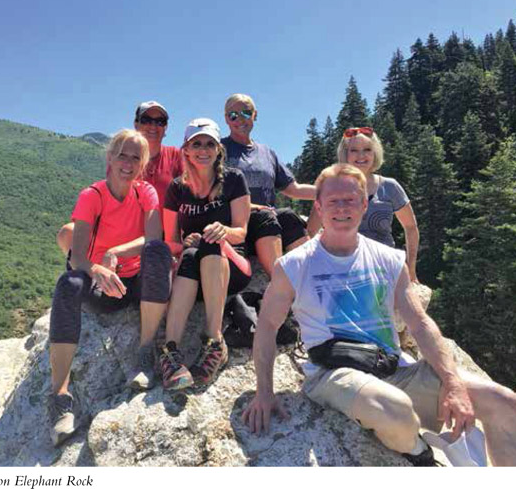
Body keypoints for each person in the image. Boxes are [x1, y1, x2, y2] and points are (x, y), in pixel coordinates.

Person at [242, 163, 516, 466]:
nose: (342, 208)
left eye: (350, 200)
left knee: (503, 403)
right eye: (333, 201)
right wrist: (265, 392)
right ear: (318, 205)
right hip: (334, 373)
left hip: (394, 368)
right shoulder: (295, 265)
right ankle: (420, 453)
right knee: (394, 408)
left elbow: (420, 324)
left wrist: (454, 384)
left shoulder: (387, 259)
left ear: (364, 204)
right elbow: (267, 326)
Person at [48, 129, 172, 446]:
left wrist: (116, 252)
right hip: (103, 286)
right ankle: (59, 397)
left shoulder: (146, 193)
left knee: (158, 252)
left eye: (135, 157)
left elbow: (153, 237)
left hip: (135, 283)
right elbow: (77, 256)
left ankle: (145, 354)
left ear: (143, 164)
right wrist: (97, 268)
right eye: (122, 154)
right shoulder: (93, 195)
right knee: (68, 283)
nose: (127, 163)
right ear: (109, 157)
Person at [160, 118, 251, 390]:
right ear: (186, 150)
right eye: (196, 143)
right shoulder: (177, 188)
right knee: (189, 254)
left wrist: (223, 231)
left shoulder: (234, 179)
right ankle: (170, 352)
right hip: (195, 274)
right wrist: (185, 241)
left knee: (210, 242)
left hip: (231, 265)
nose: (203, 149)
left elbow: (242, 232)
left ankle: (214, 342)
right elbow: (170, 241)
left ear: (218, 149)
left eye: (210, 143)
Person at [56, 100, 182, 253]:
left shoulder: (176, 156)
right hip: (124, 232)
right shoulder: (119, 164)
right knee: (67, 233)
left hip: (158, 235)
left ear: (166, 127)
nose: (153, 126)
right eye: (146, 120)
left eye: (159, 121)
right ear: (136, 124)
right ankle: (83, 270)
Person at [221, 93, 315, 277]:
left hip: (269, 222)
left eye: (246, 113)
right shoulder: (218, 150)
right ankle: (279, 284)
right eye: (233, 115)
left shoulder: (267, 153)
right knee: (266, 216)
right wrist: (252, 207)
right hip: (237, 222)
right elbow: (214, 193)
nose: (240, 119)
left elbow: (292, 188)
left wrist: (330, 191)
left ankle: (311, 280)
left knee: (288, 216)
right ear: (226, 119)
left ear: (255, 115)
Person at [308, 127, 419, 282]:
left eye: (367, 149)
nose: (361, 156)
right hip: (341, 270)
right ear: (345, 154)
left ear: (375, 153)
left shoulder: (389, 187)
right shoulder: (332, 187)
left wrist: (411, 269)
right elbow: (312, 230)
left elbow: (411, 227)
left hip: (383, 268)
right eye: (354, 150)